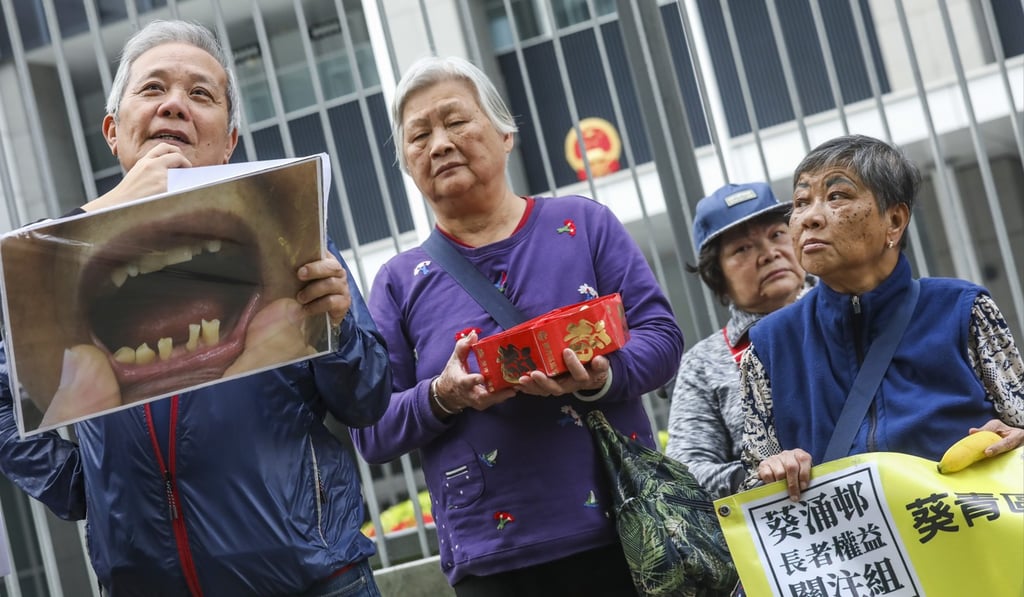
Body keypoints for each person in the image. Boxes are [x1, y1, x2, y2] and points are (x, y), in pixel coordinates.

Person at [0, 20, 392, 595]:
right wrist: (82, 486)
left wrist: (342, 331)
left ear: (228, 140)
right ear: (113, 130)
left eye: (201, 95)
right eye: (153, 89)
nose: (176, 106)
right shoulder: (47, 263)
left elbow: (368, 399)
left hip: (313, 579)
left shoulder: (293, 240)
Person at [349, 56, 684, 596]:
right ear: (408, 165)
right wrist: (442, 397)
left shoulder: (584, 226)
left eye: (456, 121)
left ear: (505, 134)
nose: (439, 144)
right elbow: (371, 427)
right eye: (419, 135)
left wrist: (596, 376)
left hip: (622, 527)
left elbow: (662, 338)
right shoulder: (398, 282)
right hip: (492, 558)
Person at [739, 134, 1024, 501]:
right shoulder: (768, 345)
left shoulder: (962, 308)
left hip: (964, 538)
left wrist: (1015, 437)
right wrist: (775, 469)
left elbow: (1019, 418)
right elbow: (753, 484)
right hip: (854, 551)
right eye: (800, 202)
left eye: (836, 196)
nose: (808, 217)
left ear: (894, 220)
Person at [665, 182, 810, 499]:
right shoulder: (704, 362)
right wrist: (756, 476)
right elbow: (685, 470)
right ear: (718, 278)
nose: (769, 254)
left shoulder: (850, 311)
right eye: (743, 249)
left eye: (776, 234)